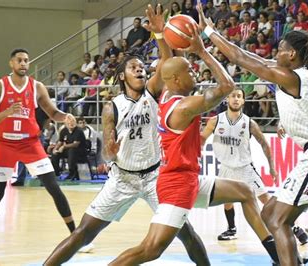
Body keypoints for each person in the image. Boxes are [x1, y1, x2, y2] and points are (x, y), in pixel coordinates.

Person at [109, 11, 284, 266]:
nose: (196, 73)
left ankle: (277, 257)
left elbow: (169, 64)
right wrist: (202, 51)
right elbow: (227, 86)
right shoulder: (183, 107)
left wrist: (160, 35)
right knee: (149, 249)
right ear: (178, 80)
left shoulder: (169, 93)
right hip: (177, 186)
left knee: (246, 192)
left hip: (188, 178)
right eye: (191, 71)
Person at [44, 5, 210, 265]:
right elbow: (107, 149)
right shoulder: (112, 106)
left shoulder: (152, 93)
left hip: (155, 177)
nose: (141, 69)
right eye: (134, 67)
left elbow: (166, 65)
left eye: (142, 66)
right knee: (84, 233)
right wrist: (109, 150)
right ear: (122, 76)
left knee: (186, 232)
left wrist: (158, 35)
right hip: (123, 179)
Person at [197, 4, 308, 264]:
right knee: (270, 213)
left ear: (291, 54)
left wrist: (209, 32)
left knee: (278, 219)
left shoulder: (291, 77)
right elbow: (255, 60)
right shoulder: (303, 73)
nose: (276, 52)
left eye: (280, 49)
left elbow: (240, 59)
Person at [0, 48, 77, 252]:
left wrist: (65, 116)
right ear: (11, 64)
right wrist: (7, 112)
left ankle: (75, 235)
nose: (23, 64)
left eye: (26, 61)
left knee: (53, 187)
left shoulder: (36, 86)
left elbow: (52, 112)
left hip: (30, 143)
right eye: (19, 60)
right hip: (5, 143)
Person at [200, 89, 308, 245]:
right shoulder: (215, 121)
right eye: (233, 96)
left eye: (239, 96)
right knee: (227, 201)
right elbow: (202, 139)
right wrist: (198, 154)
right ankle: (231, 229)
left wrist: (272, 167)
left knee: (266, 200)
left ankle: (295, 228)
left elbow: (264, 144)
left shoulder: (249, 122)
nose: (236, 99)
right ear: (227, 99)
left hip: (245, 168)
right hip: (225, 167)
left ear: (243, 101)